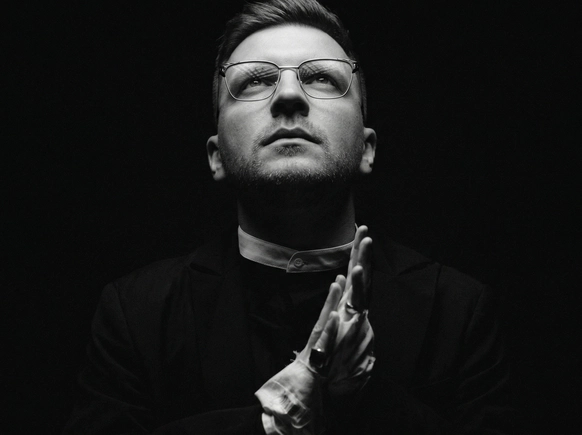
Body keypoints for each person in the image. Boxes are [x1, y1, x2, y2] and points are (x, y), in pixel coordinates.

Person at [63, 0, 514, 433]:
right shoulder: (136, 313)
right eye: (255, 81)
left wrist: (366, 398)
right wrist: (277, 419)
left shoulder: (457, 310)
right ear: (216, 156)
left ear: (367, 148)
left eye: (321, 77)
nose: (289, 95)